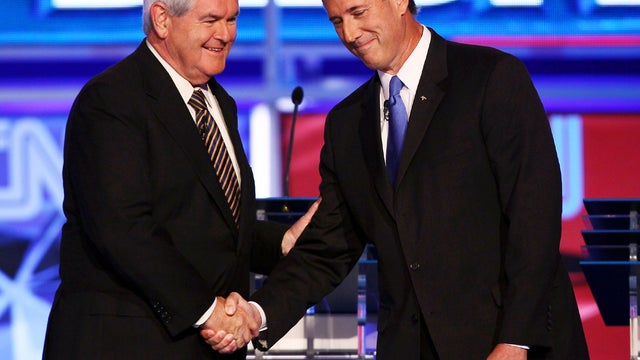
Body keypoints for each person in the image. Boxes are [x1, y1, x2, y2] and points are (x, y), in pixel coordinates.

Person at [203, 0, 590, 358]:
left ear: (400, 2)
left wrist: (515, 340)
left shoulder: (490, 78)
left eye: (358, 12)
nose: (350, 34)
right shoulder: (347, 122)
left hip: (504, 343)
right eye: (337, 20)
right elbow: (327, 248)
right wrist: (257, 312)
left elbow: (533, 218)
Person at [42, 0, 318, 358]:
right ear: (162, 19)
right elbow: (124, 231)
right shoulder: (112, 101)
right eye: (211, 20)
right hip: (125, 344)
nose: (225, 34)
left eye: (232, 19)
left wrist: (282, 242)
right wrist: (209, 312)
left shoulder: (219, 101)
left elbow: (208, 228)